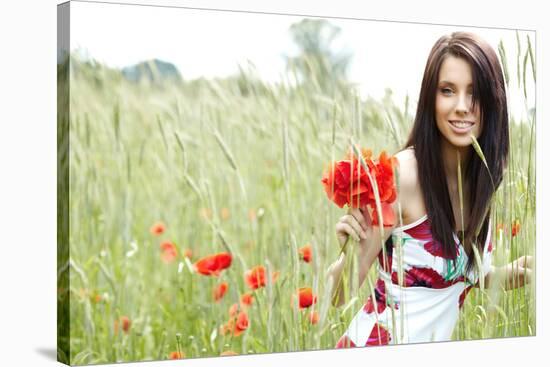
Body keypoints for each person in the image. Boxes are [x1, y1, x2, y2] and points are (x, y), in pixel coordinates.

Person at [327, 31, 533, 347]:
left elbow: (459, 275)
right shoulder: (401, 176)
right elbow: (338, 296)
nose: (462, 106)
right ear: (430, 99)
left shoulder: (481, 180)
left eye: (474, 92)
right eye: (447, 90)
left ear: (493, 101)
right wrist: (350, 251)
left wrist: (509, 274)